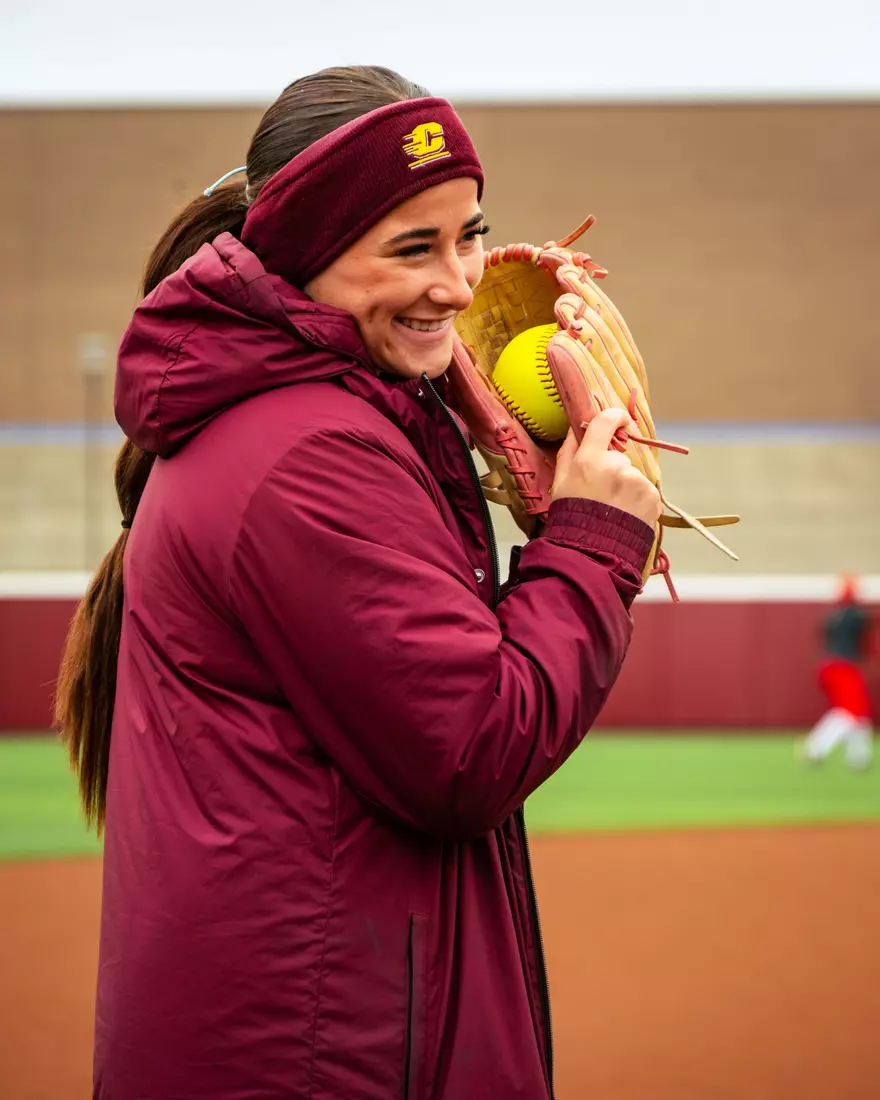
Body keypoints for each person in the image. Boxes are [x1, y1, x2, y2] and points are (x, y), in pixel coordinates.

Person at [56, 65, 660, 1100]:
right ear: (305, 257)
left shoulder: (322, 414)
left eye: (467, 232)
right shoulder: (308, 452)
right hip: (319, 1049)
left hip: (311, 1022)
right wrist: (597, 537)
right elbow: (469, 746)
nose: (460, 282)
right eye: (411, 247)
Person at [801, 574, 874, 770]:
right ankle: (815, 748)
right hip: (842, 668)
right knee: (850, 712)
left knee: (859, 711)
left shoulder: (834, 616)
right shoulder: (855, 615)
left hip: (831, 668)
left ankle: (860, 757)